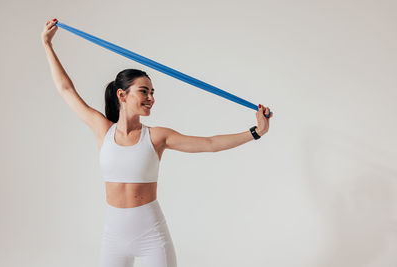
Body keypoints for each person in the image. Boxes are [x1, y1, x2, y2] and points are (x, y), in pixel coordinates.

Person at [41, 18, 273, 267]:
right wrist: (47, 45)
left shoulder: (156, 136)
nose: (151, 98)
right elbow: (66, 89)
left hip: (151, 235)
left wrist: (256, 132)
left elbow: (209, 143)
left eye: (152, 93)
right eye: (144, 91)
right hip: (113, 238)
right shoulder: (102, 130)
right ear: (122, 95)